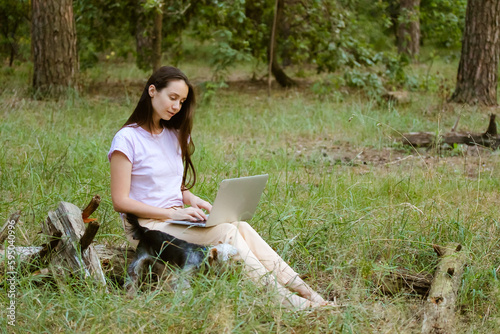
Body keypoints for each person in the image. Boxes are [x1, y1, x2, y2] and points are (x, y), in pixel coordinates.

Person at [108, 66, 332, 310]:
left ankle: (305, 291)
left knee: (240, 225)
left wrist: (192, 199)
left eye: (181, 101)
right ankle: (287, 302)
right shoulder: (127, 138)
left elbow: (168, 183)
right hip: (146, 226)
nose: (176, 106)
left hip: (175, 219)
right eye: (172, 98)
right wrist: (174, 213)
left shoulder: (173, 134)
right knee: (228, 232)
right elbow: (120, 200)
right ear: (152, 91)